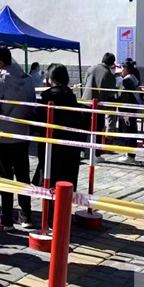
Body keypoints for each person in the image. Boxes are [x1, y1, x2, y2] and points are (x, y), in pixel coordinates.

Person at [0, 46, 36, 231]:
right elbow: (32, 105)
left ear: (0, 62)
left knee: (5, 177)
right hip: (23, 134)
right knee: (23, 175)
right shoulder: (28, 79)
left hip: (4, 135)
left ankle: (6, 217)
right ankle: (26, 215)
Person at [38, 64, 88, 193]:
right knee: (66, 181)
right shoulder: (71, 95)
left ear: (51, 78)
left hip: (52, 144)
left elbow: (40, 119)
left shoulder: (48, 95)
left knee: (50, 181)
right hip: (70, 145)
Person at [82, 53, 118, 134]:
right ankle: (96, 142)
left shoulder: (91, 69)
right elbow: (111, 93)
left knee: (84, 127)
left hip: (86, 102)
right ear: (112, 63)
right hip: (99, 105)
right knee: (98, 128)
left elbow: (85, 83)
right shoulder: (108, 74)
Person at [116, 60, 141, 165]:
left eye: (122, 68)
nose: (121, 70)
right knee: (131, 131)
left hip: (127, 110)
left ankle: (129, 155)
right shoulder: (134, 78)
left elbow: (125, 97)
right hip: (132, 109)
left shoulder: (127, 80)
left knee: (128, 132)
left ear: (126, 69)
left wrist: (121, 110)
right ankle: (129, 154)